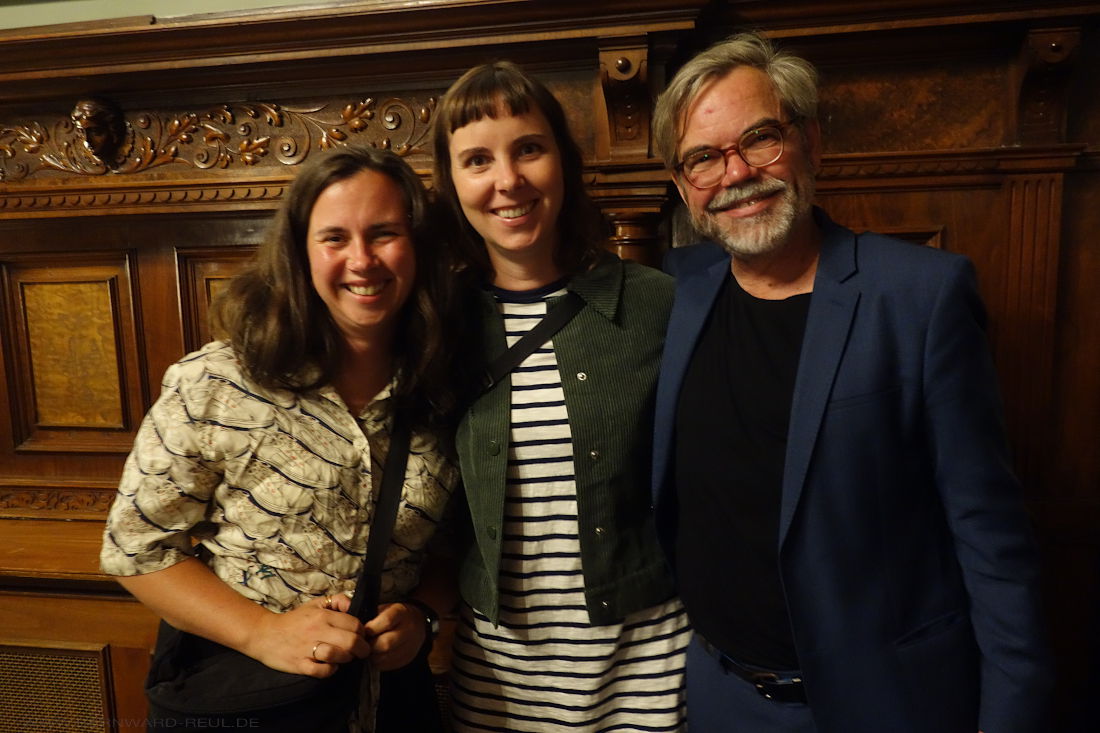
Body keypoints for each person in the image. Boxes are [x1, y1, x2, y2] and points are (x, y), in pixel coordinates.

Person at [649, 31, 1052, 733]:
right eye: (703, 158)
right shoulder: (679, 296)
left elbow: (992, 541)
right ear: (685, 187)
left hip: (885, 704)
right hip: (720, 698)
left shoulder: (920, 297)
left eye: (760, 139)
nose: (735, 172)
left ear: (810, 142)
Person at [99, 146, 459, 731]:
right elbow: (136, 548)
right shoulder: (217, 382)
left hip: (394, 704)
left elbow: (452, 548)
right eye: (334, 238)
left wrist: (423, 617)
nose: (362, 260)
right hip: (248, 704)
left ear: (417, 246)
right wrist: (262, 632)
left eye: (384, 233)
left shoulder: (445, 387)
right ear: (300, 254)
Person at [431, 61, 692, 731]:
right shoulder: (436, 325)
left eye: (528, 149)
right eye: (477, 160)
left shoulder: (657, 305)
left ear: (564, 163)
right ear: (452, 183)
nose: (507, 180)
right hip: (499, 681)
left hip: (645, 671)